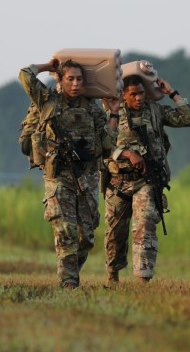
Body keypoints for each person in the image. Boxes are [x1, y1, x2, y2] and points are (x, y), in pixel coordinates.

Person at [18, 58, 120, 289]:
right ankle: (69, 283)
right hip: (59, 177)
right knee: (66, 231)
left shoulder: (92, 109)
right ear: (61, 80)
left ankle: (71, 271)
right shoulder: (47, 101)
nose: (75, 84)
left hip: (87, 178)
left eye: (79, 79)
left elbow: (106, 145)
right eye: (70, 79)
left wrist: (113, 114)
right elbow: (25, 75)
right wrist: (47, 66)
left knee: (86, 237)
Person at [103, 73, 190, 284]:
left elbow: (189, 119)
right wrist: (126, 153)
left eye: (142, 93)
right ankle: (112, 276)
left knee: (145, 226)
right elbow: (101, 145)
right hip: (118, 182)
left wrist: (172, 93)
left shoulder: (155, 112)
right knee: (115, 233)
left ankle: (143, 279)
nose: (138, 98)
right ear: (123, 95)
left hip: (147, 181)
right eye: (133, 94)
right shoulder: (112, 114)